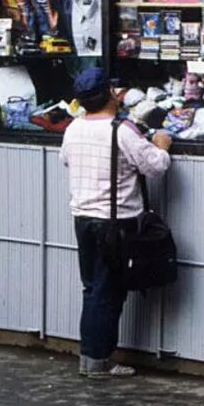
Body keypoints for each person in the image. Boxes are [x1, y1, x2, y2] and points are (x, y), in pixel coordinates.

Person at [59, 67, 172, 379]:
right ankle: (98, 360)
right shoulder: (120, 131)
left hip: (83, 218)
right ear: (110, 95)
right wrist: (162, 144)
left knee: (93, 289)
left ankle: (90, 356)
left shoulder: (74, 128)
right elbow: (156, 166)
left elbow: (66, 160)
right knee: (108, 292)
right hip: (115, 223)